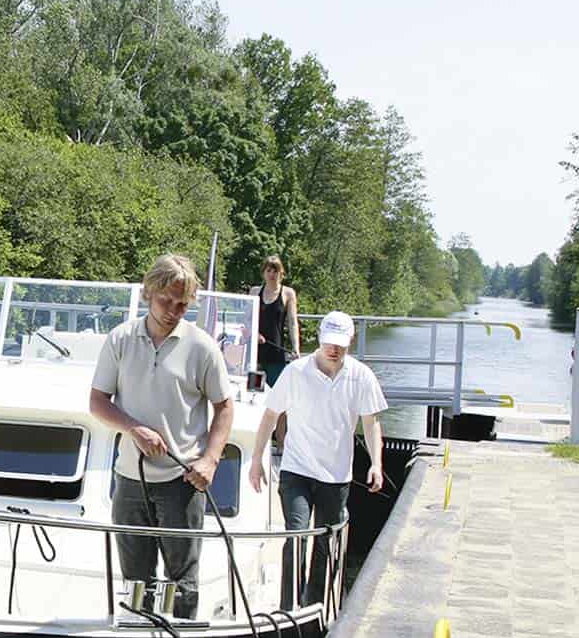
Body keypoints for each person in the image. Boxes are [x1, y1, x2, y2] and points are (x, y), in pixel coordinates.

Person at [89, 252, 235, 617]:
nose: (172, 310)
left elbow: (225, 407)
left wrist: (210, 461)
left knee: (181, 580)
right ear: (148, 293)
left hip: (181, 481)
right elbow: (97, 401)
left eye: (181, 304)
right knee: (136, 578)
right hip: (129, 480)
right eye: (165, 300)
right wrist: (133, 428)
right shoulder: (120, 339)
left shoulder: (202, 347)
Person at [247, 310, 386, 610]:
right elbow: (270, 415)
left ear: (351, 341)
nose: (333, 350)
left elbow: (371, 422)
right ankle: (288, 607)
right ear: (320, 340)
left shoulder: (361, 376)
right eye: (328, 343)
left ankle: (315, 605)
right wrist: (257, 459)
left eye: (340, 344)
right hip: (297, 469)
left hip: (336, 475)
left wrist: (376, 463)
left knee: (326, 542)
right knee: (296, 534)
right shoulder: (296, 372)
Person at [250, 256, 300, 386]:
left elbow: (293, 322)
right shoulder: (254, 292)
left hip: (276, 352)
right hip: (255, 353)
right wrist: (255, 334)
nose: (272, 274)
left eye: (275, 271)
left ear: (281, 273)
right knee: (254, 391)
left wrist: (296, 348)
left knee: (277, 392)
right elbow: (247, 320)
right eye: (269, 271)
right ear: (263, 273)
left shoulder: (288, 293)